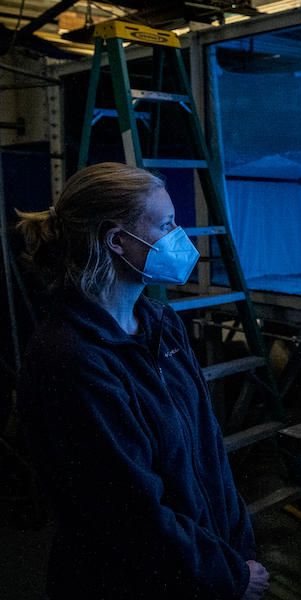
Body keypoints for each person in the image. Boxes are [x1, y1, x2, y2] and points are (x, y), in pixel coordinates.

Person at [14, 162, 270, 600]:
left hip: (198, 572)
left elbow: (207, 445)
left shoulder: (160, 323)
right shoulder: (73, 358)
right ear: (117, 241)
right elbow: (129, 513)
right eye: (166, 224)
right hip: (131, 584)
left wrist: (234, 549)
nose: (179, 237)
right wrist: (227, 575)